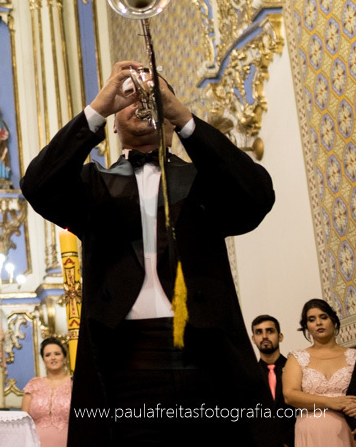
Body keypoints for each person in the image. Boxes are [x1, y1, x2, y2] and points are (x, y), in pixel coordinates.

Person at [21, 60, 276, 445]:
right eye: (128, 99)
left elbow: (257, 194)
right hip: (122, 359)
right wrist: (98, 107)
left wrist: (182, 114)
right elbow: (37, 185)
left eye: (154, 97)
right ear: (114, 125)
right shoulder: (92, 185)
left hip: (205, 352)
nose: (141, 103)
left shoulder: (205, 183)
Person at [282, 299, 356, 447]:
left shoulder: (354, 356)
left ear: (333, 321)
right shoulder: (297, 358)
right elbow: (290, 395)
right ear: (306, 327)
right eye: (311, 319)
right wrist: (332, 402)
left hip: (348, 429)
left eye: (323, 317)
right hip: (310, 430)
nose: (318, 323)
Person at [252, 314, 295, 447]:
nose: (264, 336)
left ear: (280, 336)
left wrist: (288, 441)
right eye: (259, 332)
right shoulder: (250, 374)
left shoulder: (295, 368)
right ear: (253, 339)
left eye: (270, 331)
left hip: (295, 441)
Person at [22, 338, 73, 447]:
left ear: (64, 357)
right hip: (34, 443)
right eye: (48, 355)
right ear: (43, 360)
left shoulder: (75, 384)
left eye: (57, 354)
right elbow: (23, 422)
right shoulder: (33, 385)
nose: (53, 358)